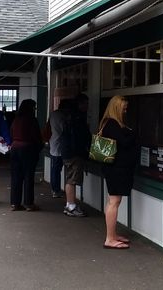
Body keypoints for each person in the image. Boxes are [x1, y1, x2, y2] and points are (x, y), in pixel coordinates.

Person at [99, 95, 136, 249]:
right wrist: (134, 132)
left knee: (112, 201)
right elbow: (125, 142)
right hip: (116, 169)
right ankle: (110, 238)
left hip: (113, 168)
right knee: (114, 202)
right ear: (116, 108)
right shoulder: (113, 125)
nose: (126, 111)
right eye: (124, 108)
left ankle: (113, 235)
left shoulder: (108, 123)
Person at [9, 99, 43, 211]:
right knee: (28, 176)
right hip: (28, 149)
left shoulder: (16, 119)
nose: (35, 109)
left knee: (16, 177)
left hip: (14, 149)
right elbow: (36, 136)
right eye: (34, 107)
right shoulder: (32, 120)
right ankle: (28, 203)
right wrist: (39, 147)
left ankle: (15, 203)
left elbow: (11, 134)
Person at [62, 94, 92, 217]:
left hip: (68, 152)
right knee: (72, 179)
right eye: (85, 103)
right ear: (79, 104)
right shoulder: (78, 119)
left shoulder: (70, 117)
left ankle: (69, 204)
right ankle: (71, 205)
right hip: (74, 153)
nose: (87, 106)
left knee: (70, 178)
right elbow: (81, 137)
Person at [47, 99, 71, 198]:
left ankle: (54, 189)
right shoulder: (63, 116)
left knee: (55, 169)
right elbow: (65, 130)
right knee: (57, 169)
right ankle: (56, 190)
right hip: (60, 145)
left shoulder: (53, 114)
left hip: (53, 143)